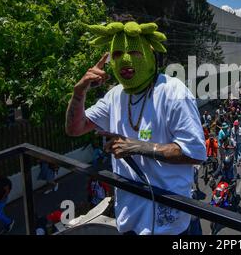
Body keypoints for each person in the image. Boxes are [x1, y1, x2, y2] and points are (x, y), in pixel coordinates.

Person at [66, 23, 207, 235]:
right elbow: (75, 129)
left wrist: (139, 147)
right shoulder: (115, 95)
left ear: (150, 54)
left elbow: (195, 153)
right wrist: (79, 93)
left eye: (133, 52)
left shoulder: (173, 91)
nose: (125, 59)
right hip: (128, 219)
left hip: (169, 225)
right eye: (118, 53)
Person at [0, 165, 14, 234]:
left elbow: (7, 190)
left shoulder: (3, 180)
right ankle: (6, 224)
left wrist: (2, 199)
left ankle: (9, 221)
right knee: (0, 213)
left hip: (1, 200)